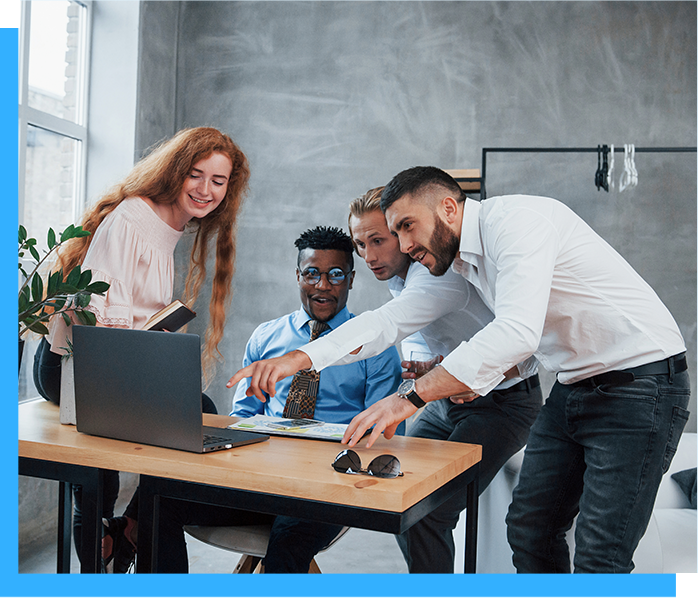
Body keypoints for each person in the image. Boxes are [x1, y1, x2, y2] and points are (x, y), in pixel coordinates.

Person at [341, 166, 690, 574]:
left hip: (641, 385)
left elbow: (517, 332)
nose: (403, 244)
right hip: (573, 384)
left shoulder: (518, 224)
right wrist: (474, 378)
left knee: (601, 556)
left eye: (406, 226)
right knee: (529, 530)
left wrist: (410, 398)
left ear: (449, 208)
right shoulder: (465, 262)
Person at [228, 187, 542, 573]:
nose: (370, 254)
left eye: (379, 240)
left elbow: (385, 325)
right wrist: (438, 372)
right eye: (361, 243)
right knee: (408, 503)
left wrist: (301, 357)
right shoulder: (400, 282)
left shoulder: (433, 276)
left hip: (502, 403)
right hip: (444, 400)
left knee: (428, 511)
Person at [33, 127, 250, 571]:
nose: (206, 190)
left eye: (218, 181)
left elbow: (132, 311)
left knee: (198, 411)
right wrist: (143, 352)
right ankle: (107, 558)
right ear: (175, 171)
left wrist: (153, 342)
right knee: (101, 474)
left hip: (115, 361)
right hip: (72, 363)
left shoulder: (171, 225)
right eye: (196, 175)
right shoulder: (134, 217)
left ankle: (132, 527)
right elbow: (92, 312)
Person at [152, 225, 404, 573]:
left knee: (287, 540)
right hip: (261, 480)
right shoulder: (266, 337)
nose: (323, 285)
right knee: (159, 503)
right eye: (312, 274)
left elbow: (383, 435)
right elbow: (241, 418)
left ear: (351, 278)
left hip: (327, 488)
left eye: (335, 275)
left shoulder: (375, 348)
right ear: (298, 276)